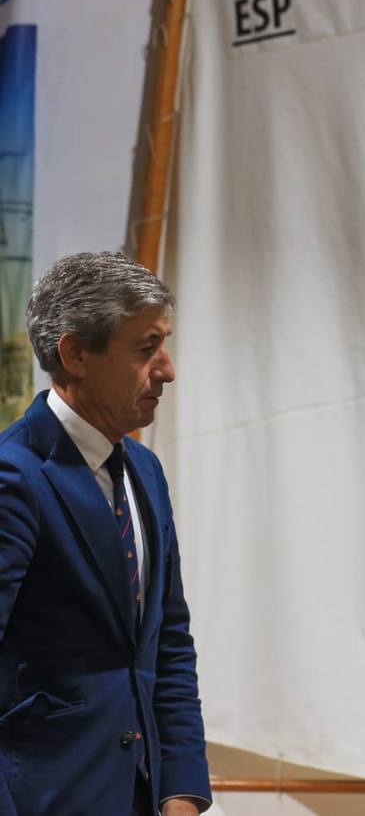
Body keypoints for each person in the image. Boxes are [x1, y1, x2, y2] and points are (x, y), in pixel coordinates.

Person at [0, 252, 210, 815]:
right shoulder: (13, 476)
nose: (166, 369)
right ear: (75, 354)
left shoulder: (145, 469)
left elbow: (167, 640)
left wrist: (182, 790)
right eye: (146, 348)